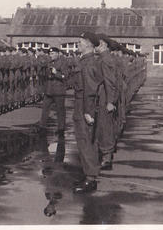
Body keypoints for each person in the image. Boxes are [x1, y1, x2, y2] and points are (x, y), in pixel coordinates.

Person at [70, 32, 102, 193]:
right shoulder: (85, 61)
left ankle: (91, 179)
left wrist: (88, 112)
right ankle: (88, 174)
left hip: (84, 106)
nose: (78, 44)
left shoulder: (89, 63)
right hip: (80, 104)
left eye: (80, 42)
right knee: (84, 142)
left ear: (89, 44)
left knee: (86, 142)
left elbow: (90, 89)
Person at [95, 33, 120, 170]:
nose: (94, 46)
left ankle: (106, 158)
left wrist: (111, 101)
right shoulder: (103, 58)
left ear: (103, 44)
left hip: (105, 96)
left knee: (105, 127)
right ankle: (105, 154)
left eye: (96, 43)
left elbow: (110, 82)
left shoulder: (106, 59)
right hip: (103, 95)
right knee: (103, 126)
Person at [39, 47, 68, 136]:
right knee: (45, 109)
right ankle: (42, 127)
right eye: (50, 54)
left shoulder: (63, 62)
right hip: (49, 90)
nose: (50, 55)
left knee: (60, 110)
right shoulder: (49, 63)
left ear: (57, 54)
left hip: (59, 91)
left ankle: (61, 129)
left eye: (52, 54)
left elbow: (65, 76)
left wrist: (56, 73)